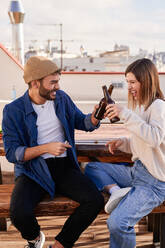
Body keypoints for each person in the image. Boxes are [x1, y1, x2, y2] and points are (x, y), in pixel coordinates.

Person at [2, 56, 104, 248]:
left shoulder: (61, 98)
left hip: (64, 167)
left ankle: (60, 244)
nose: (57, 86)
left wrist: (95, 116)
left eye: (58, 81)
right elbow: (12, 153)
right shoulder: (12, 111)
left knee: (94, 200)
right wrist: (46, 148)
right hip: (33, 171)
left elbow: (81, 121)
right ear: (34, 83)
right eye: (53, 82)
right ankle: (34, 239)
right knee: (19, 214)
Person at [85, 58, 165, 248]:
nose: (128, 87)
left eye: (132, 82)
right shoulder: (140, 106)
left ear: (146, 81)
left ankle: (122, 195)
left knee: (117, 223)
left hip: (154, 182)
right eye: (127, 82)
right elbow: (144, 144)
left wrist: (125, 114)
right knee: (93, 168)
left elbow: (155, 138)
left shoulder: (159, 107)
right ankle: (116, 191)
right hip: (137, 172)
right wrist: (123, 143)